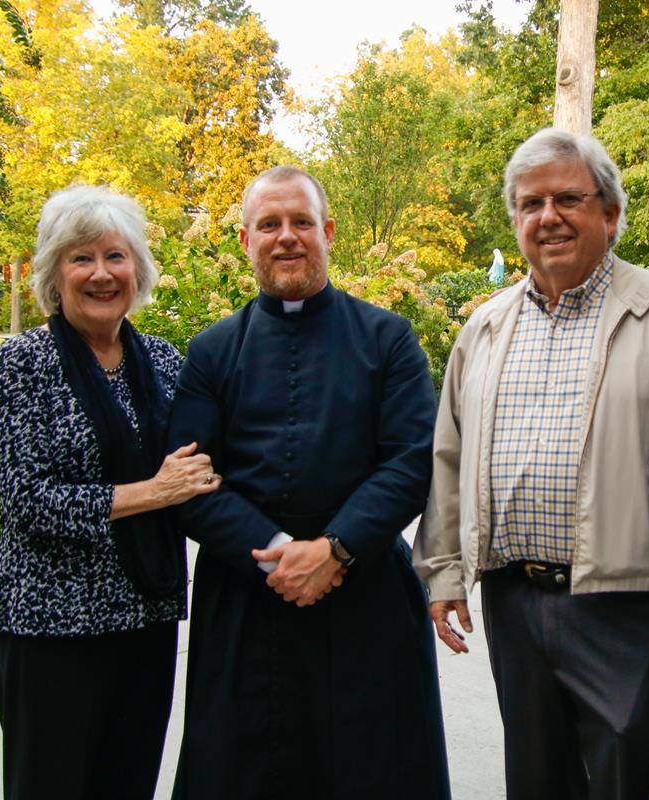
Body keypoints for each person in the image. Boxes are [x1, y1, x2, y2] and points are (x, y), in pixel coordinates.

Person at [414, 128, 649, 800]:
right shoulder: (485, 328)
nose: (548, 217)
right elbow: (449, 456)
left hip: (630, 604)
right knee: (537, 780)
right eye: (530, 203)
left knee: (632, 779)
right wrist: (444, 572)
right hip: (514, 602)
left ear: (610, 213)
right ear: (515, 219)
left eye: (568, 199)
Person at [167, 166, 450, 799]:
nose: (287, 236)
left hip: (365, 593)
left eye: (301, 222)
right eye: (269, 224)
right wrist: (277, 551)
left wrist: (334, 549)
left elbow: (412, 459)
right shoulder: (211, 350)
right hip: (248, 598)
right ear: (247, 240)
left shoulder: (388, 338)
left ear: (328, 232)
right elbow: (189, 479)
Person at [0, 184, 220, 800]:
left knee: (129, 783)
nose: (102, 273)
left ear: (137, 269)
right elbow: (27, 500)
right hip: (49, 624)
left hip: (146, 616)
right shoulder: (22, 363)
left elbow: (200, 469)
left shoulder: (163, 362)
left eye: (116, 256)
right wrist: (151, 493)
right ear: (54, 275)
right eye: (81, 258)